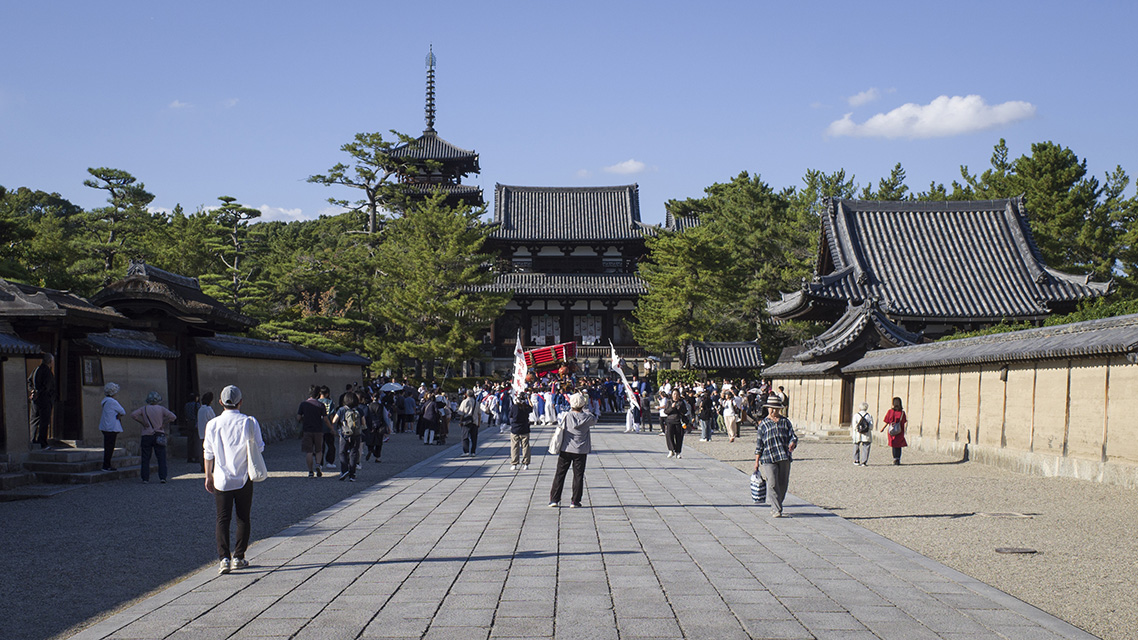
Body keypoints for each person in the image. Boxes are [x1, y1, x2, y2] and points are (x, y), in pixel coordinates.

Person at [203, 385, 264, 575]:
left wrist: (208, 475)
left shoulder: (212, 424)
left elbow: (208, 452)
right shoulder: (249, 422)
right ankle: (239, 556)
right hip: (244, 475)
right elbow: (260, 448)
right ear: (240, 402)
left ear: (220, 402)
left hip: (221, 477)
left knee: (222, 518)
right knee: (243, 517)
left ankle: (223, 559)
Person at [549, 392, 594, 508]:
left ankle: (554, 499)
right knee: (578, 475)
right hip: (581, 450)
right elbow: (595, 419)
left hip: (566, 448)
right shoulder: (588, 417)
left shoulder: (566, 416)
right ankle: (575, 501)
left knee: (560, 474)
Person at [753, 398, 798, 518]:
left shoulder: (785, 422)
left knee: (783, 483)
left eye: (775, 408)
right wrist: (756, 461)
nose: (773, 410)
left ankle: (777, 503)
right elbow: (759, 444)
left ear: (779, 409)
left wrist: (793, 442)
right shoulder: (763, 424)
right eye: (771, 408)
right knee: (772, 483)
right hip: (768, 457)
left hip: (784, 456)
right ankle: (776, 508)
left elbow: (792, 436)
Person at [131, 391, 176, 484]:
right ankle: (163, 477)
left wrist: (143, 422)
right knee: (161, 457)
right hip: (159, 433)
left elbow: (133, 415)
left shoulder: (144, 408)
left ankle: (145, 478)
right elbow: (173, 417)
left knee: (145, 458)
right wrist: (164, 424)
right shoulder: (161, 409)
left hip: (146, 434)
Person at [297, 386, 331, 478]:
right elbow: (325, 419)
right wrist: (331, 428)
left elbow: (298, 418)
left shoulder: (303, 404)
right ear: (318, 394)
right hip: (318, 430)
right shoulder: (320, 405)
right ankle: (318, 465)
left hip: (307, 430)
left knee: (309, 451)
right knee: (319, 450)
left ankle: (310, 472)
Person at [332, 392, 363, 481]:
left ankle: (344, 470)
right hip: (356, 434)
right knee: (354, 453)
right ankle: (352, 474)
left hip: (344, 434)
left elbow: (334, 420)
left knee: (343, 452)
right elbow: (363, 422)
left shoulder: (342, 410)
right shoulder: (359, 410)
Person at [27, 353, 56, 449]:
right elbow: (47, 387)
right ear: (50, 362)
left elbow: (29, 381)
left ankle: (32, 440)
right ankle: (42, 442)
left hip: (35, 398)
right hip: (44, 399)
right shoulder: (47, 372)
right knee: (44, 421)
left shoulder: (36, 370)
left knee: (34, 420)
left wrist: (32, 391)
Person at [98, 382, 125, 472]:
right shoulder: (113, 402)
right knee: (110, 446)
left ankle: (106, 464)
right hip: (112, 427)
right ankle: (106, 465)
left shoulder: (105, 401)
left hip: (105, 426)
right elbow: (122, 411)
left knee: (107, 446)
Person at [509, 392, 532, 470]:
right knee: (525, 447)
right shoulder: (526, 407)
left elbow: (510, 415)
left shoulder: (514, 407)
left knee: (514, 447)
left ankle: (514, 463)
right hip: (525, 428)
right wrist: (528, 399)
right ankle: (526, 463)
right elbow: (532, 407)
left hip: (515, 429)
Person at [881, 397, 908, 465]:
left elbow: (887, 421)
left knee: (894, 444)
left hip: (892, 430)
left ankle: (895, 458)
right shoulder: (902, 413)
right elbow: (904, 422)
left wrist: (883, 428)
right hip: (900, 430)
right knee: (899, 445)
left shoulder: (890, 411)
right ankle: (898, 458)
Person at [662, 389, 687, 459]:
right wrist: (672, 407)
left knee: (679, 437)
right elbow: (666, 411)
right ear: (672, 395)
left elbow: (685, 411)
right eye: (674, 394)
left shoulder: (681, 402)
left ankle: (678, 452)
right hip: (670, 421)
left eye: (676, 394)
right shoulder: (669, 402)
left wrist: (680, 408)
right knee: (669, 436)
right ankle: (671, 450)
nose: (675, 396)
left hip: (679, 421)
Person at [197, 392, 217, 473]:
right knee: (210, 451)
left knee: (202, 450)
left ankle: (203, 466)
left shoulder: (200, 409)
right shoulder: (208, 410)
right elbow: (214, 420)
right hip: (209, 434)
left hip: (201, 432)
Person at [458, 390, 482, 456]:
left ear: (466, 394)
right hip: (475, 421)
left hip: (466, 421)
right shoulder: (476, 402)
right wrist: (479, 422)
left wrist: (460, 421)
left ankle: (466, 451)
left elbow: (461, 413)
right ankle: (473, 451)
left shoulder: (464, 402)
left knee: (465, 436)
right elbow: (479, 414)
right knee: (474, 437)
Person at [851, 401, 873, 466]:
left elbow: (854, 425)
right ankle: (864, 461)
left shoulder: (856, 415)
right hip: (866, 434)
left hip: (857, 433)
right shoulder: (869, 415)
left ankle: (856, 460)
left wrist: (858, 429)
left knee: (856, 446)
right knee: (866, 447)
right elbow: (871, 426)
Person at [182, 392, 202, 464]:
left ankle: (189, 456)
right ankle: (196, 456)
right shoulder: (196, 405)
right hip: (195, 422)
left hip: (188, 422)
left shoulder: (186, 405)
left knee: (189, 440)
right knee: (196, 440)